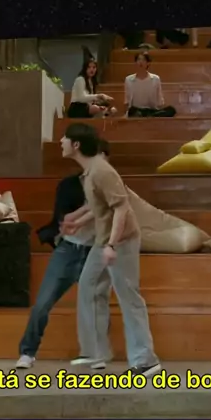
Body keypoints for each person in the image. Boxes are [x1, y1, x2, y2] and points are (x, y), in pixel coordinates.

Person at [60, 123, 160, 377]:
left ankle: (146, 360)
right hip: (104, 240)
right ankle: (96, 352)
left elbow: (121, 208)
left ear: (76, 145)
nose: (60, 141)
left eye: (65, 138)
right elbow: (101, 207)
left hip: (121, 241)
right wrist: (77, 222)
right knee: (89, 286)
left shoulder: (102, 171)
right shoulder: (90, 171)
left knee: (128, 296)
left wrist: (112, 245)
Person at [16, 140, 113, 370]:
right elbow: (64, 218)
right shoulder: (70, 185)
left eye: (103, 157)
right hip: (69, 249)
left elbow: (111, 211)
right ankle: (27, 352)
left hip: (96, 250)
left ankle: (96, 353)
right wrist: (80, 215)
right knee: (42, 303)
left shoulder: (113, 185)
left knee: (98, 304)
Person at [124, 52, 176, 117]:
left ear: (148, 63)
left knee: (171, 110)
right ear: (135, 62)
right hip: (136, 110)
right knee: (134, 113)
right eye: (139, 59)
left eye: (143, 60)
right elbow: (127, 101)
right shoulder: (128, 79)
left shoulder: (155, 79)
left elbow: (159, 100)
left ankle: (151, 116)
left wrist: (160, 110)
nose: (141, 62)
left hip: (151, 110)